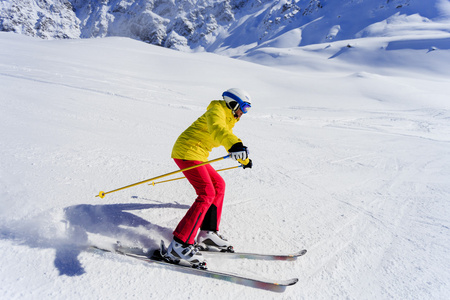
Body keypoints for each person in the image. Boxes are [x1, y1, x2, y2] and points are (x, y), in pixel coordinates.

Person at [164, 88, 253, 267]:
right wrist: (234, 145)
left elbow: (227, 134)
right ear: (233, 103)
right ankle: (179, 244)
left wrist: (244, 158)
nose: (243, 113)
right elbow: (218, 130)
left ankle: (207, 234)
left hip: (198, 154)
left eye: (247, 110)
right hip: (187, 151)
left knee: (218, 185)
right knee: (207, 193)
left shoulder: (228, 118)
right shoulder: (217, 111)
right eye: (243, 108)